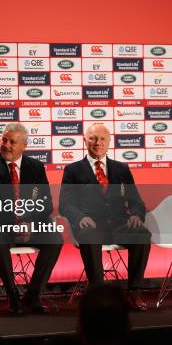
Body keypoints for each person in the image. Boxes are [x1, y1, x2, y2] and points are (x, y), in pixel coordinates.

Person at [0, 123, 63, 315]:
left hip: (31, 224)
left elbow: (46, 203)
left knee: (55, 238)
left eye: (12, 142)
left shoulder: (36, 167)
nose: (6, 145)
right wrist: (13, 221)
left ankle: (33, 294)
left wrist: (29, 221)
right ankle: (12, 294)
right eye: (4, 140)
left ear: (24, 145)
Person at [60, 123, 150, 311]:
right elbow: (65, 204)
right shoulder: (73, 170)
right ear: (85, 141)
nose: (97, 142)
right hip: (91, 226)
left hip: (118, 225)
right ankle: (97, 294)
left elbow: (136, 201)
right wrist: (79, 217)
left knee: (142, 234)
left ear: (109, 142)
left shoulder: (122, 169)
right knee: (90, 235)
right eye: (93, 138)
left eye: (102, 139)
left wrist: (136, 214)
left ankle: (134, 292)